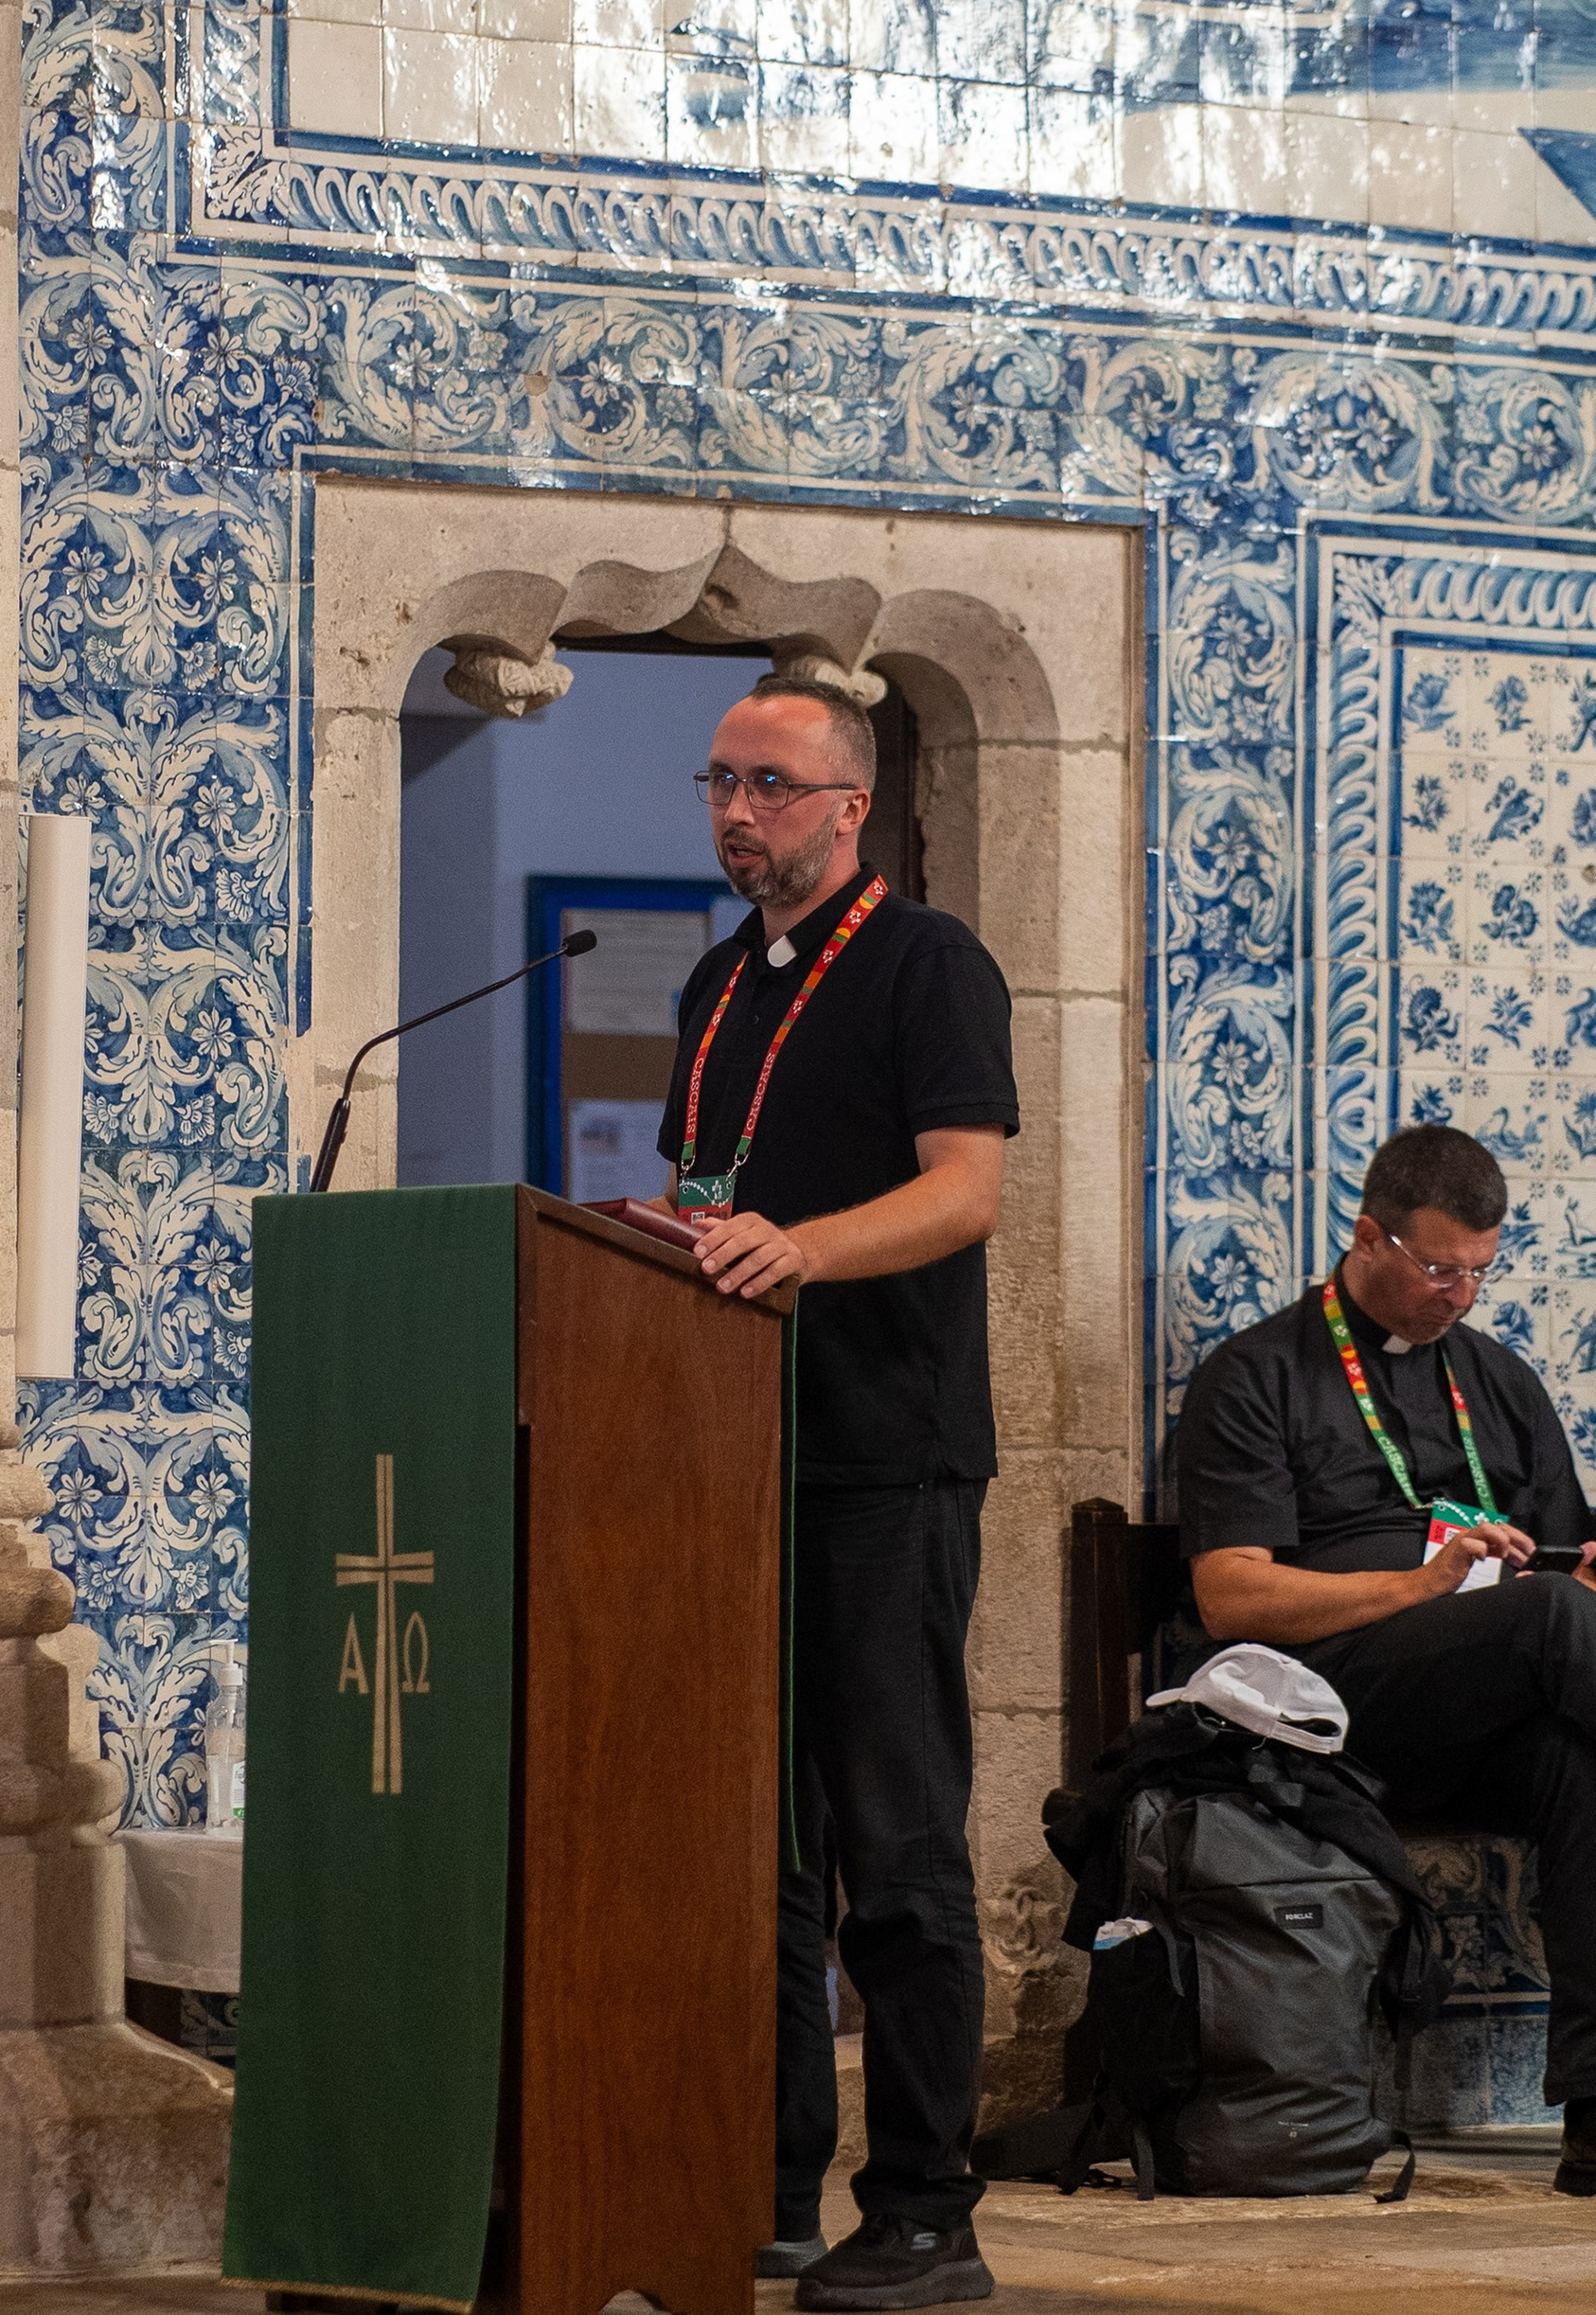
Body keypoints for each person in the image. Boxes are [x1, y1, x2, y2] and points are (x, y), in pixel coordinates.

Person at [654, 671, 1018, 2310]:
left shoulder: (930, 964)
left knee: (897, 1842)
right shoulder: (718, 981)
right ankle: (772, 2178)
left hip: (889, 1462)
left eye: (771, 787)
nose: (738, 814)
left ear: (850, 806)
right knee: (764, 1855)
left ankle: (931, 2208)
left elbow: (965, 1193)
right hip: (745, 1460)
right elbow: (704, 1197)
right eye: (721, 784)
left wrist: (797, 1250)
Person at [1176, 1124, 1596, 2194]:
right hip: (1329, 1709)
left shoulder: (1499, 1381)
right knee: (1550, 1620)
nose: (1461, 1296)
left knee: (1579, 1763)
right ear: (1369, 1236)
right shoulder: (1258, 1374)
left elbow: (1574, 1568)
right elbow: (1230, 1597)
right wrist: (1422, 1584)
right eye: (1440, 1269)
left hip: (1485, 1702)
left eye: (1481, 1273)